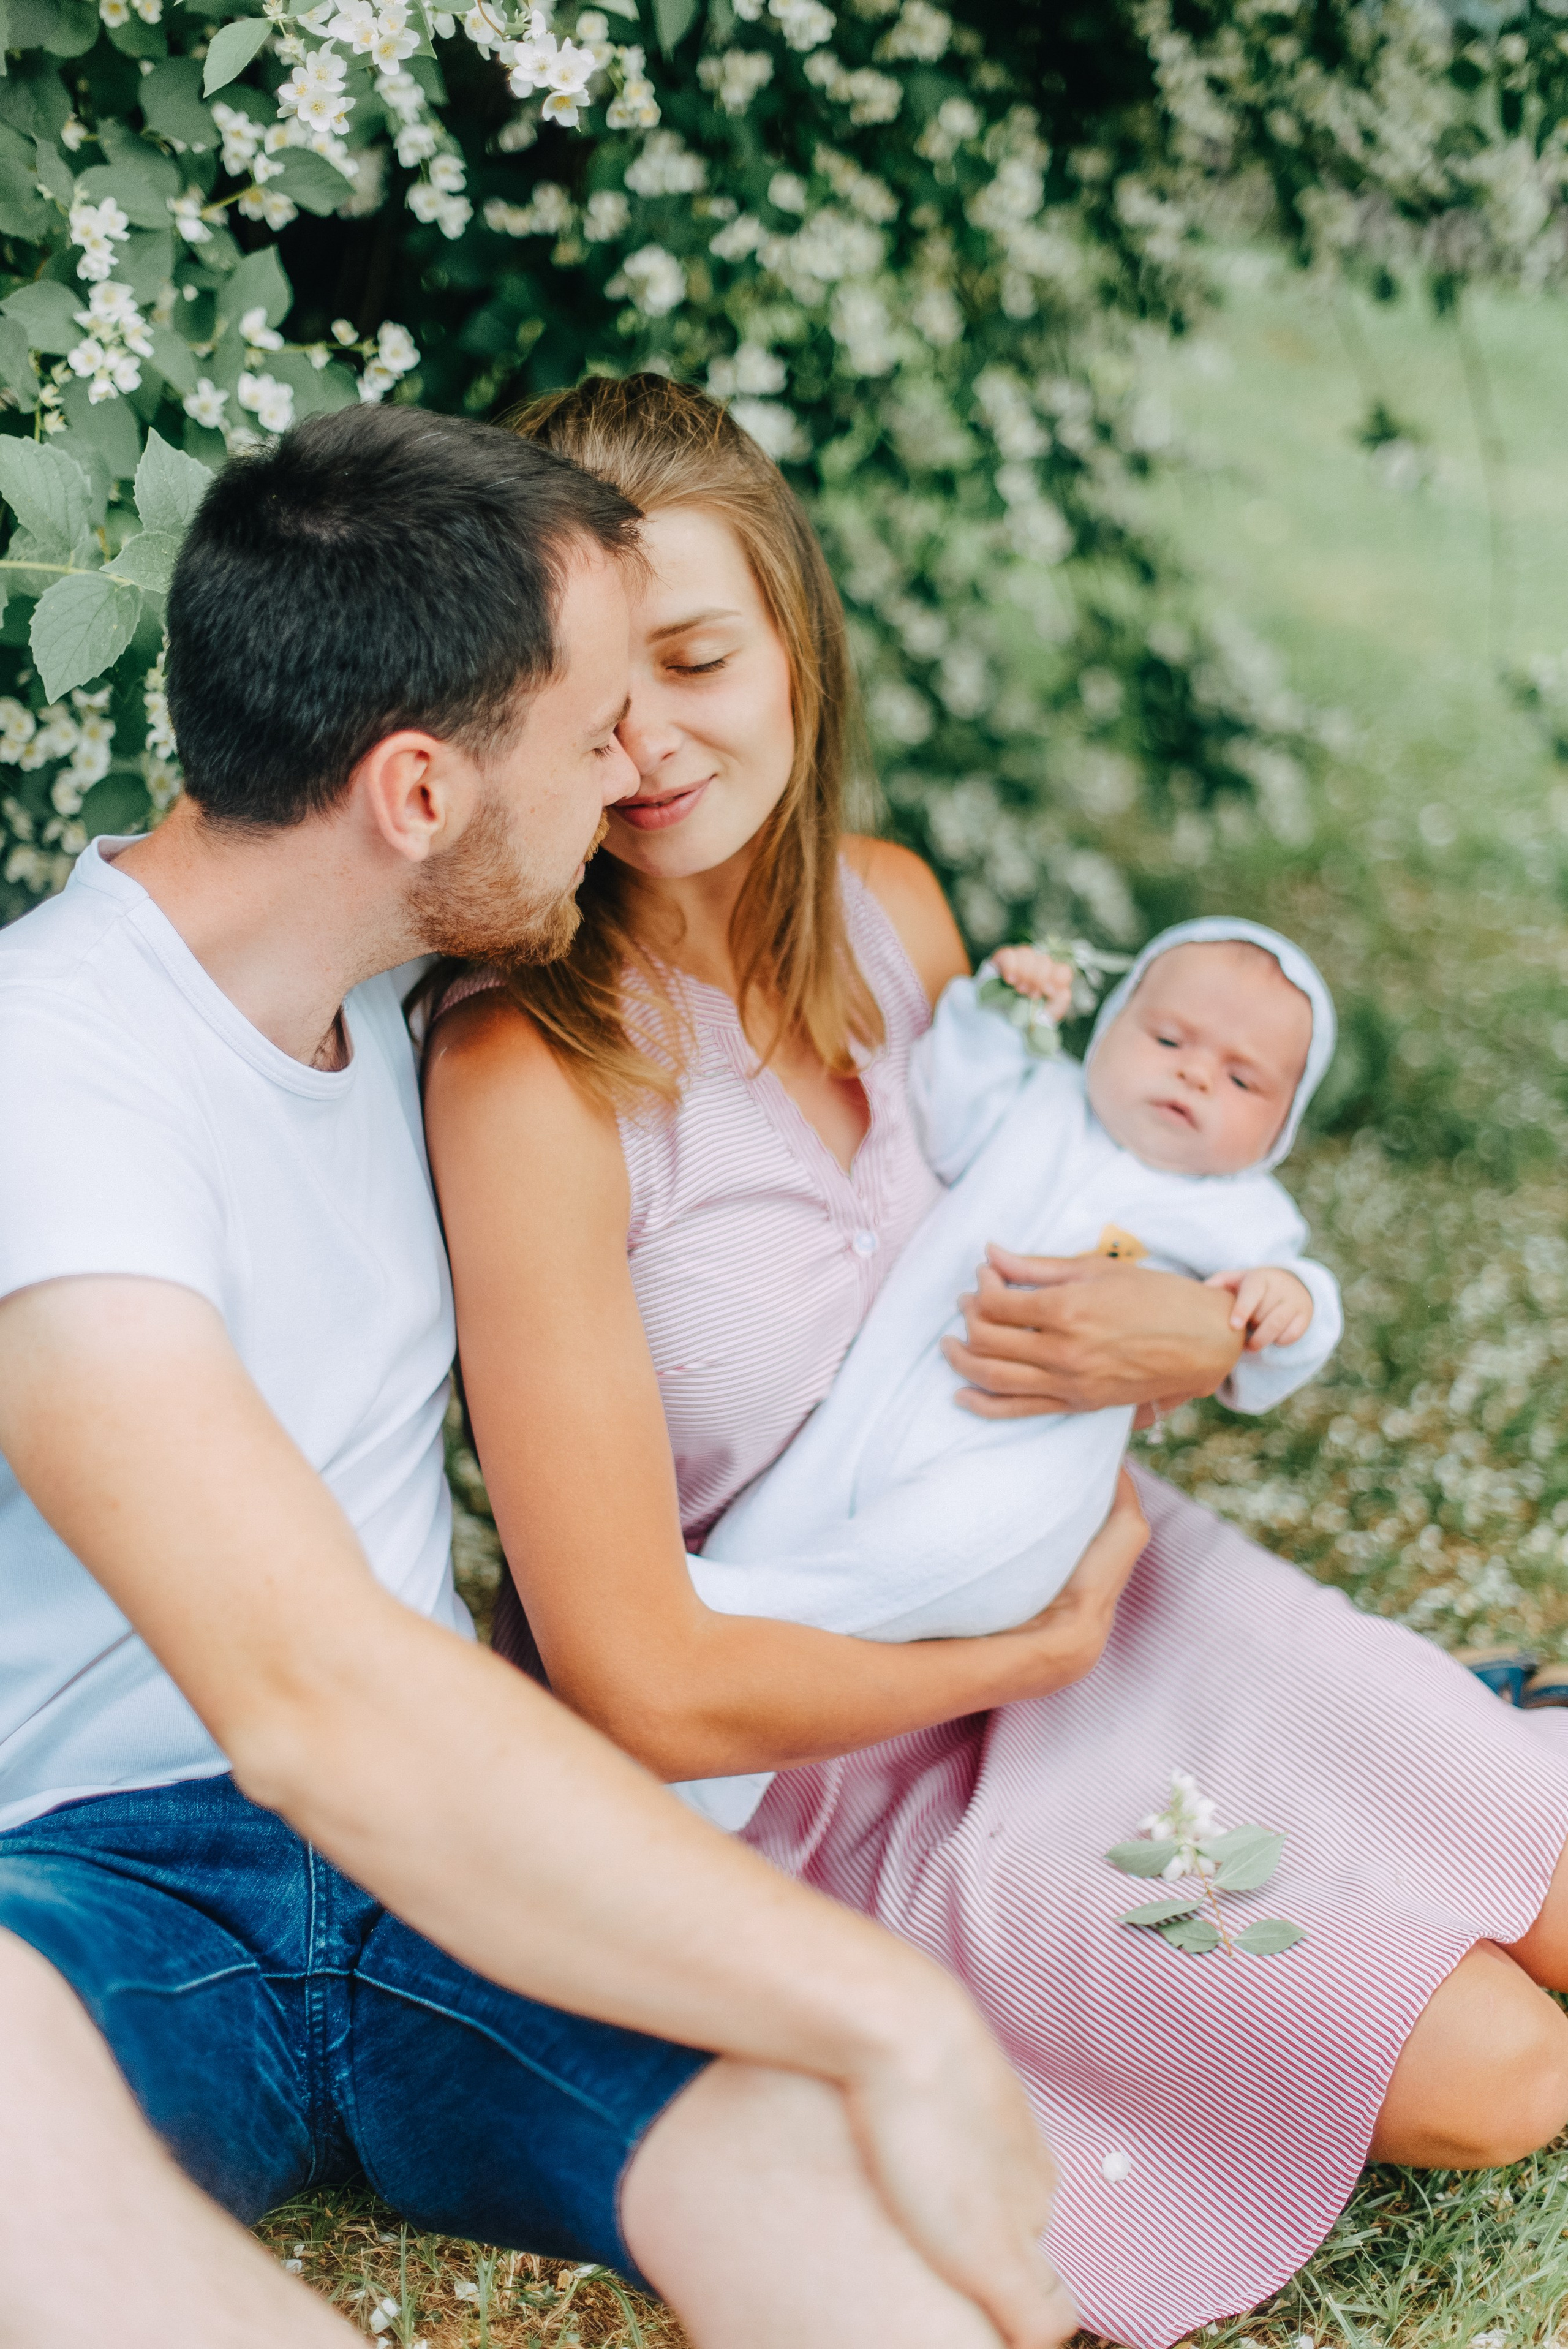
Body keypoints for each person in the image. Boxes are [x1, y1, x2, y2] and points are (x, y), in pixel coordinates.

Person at [423, 372, 1568, 2349]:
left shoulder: (892, 913)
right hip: (823, 1747)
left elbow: (1067, 1209)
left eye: (696, 659)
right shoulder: (526, 1072)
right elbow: (634, 1680)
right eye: (590, 692)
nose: (651, 743)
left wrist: (1189, 1329)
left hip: (1115, 1576)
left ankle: (1423, 1746)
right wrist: (1024, 1659)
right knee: (1497, 2074)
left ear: (797, 640)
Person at [0, 404, 1090, 2349]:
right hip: (85, 1888)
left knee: (848, 2201)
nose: (634, 773)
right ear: (419, 789)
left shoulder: (389, 982)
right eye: (593, 731)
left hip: (449, 1855)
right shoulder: (51, 1077)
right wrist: (895, 2005)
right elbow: (309, 1697)